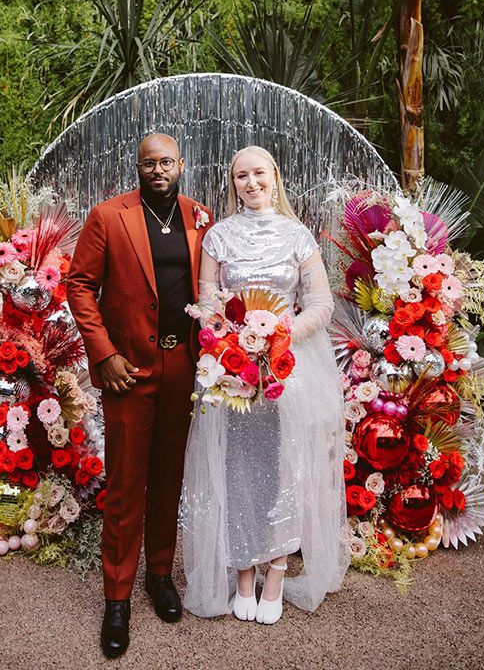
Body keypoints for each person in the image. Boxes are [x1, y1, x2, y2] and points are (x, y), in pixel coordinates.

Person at [181, 145, 349, 623]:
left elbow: (320, 302)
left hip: (288, 369)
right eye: (240, 176)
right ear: (232, 183)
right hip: (232, 369)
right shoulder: (217, 238)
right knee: (236, 467)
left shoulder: (298, 237)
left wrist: (278, 335)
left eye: (259, 174)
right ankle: (242, 572)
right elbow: (208, 302)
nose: (251, 183)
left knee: (286, 467)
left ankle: (276, 568)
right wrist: (235, 341)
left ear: (274, 177)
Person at [67, 134, 212, 658]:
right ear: (137, 166)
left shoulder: (201, 215)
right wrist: (103, 352)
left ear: (181, 164)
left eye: (166, 162)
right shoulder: (108, 216)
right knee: (127, 484)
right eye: (149, 163)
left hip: (184, 366)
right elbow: (79, 286)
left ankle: (159, 576)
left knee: (168, 475)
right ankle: (117, 597)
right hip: (128, 369)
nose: (158, 170)